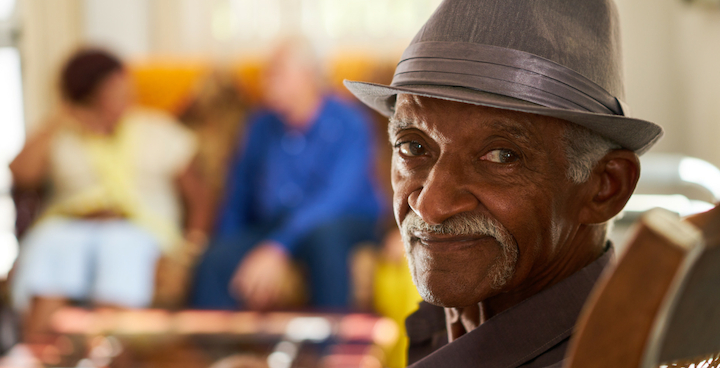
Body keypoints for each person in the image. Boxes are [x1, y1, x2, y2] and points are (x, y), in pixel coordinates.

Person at [343, 0, 664, 366]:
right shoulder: (453, 321)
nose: (430, 205)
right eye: (413, 146)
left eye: (501, 156)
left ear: (605, 186)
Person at [9, 48, 210, 339]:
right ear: (89, 95)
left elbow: (199, 194)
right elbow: (21, 174)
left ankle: (108, 351)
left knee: (118, 251)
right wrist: (61, 118)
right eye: (114, 89)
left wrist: (193, 244)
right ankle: (38, 352)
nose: (126, 95)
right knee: (51, 248)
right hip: (69, 228)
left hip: (136, 228)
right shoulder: (63, 134)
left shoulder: (154, 129)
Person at [191, 39, 386, 310]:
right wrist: (230, 244)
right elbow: (239, 193)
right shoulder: (259, 124)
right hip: (276, 222)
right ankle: (220, 351)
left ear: (308, 77)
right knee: (215, 260)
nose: (265, 80)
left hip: (343, 221)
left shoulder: (350, 122)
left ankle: (329, 348)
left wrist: (277, 247)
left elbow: (334, 199)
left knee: (324, 238)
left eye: (276, 72)